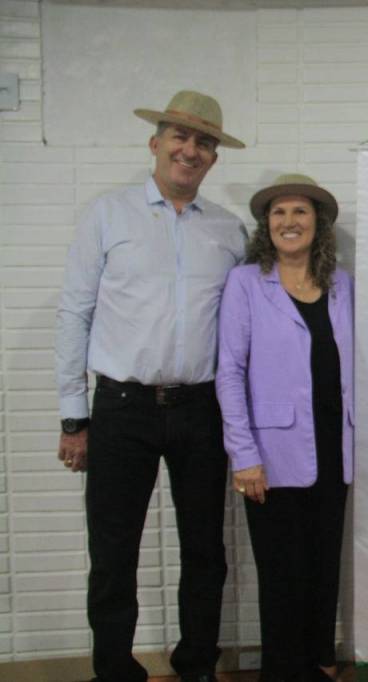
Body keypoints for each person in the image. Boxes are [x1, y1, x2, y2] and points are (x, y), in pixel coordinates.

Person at [55, 90, 247, 682]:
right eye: (180, 137)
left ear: (214, 158)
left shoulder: (229, 230)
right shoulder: (107, 215)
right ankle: (114, 670)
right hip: (122, 408)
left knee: (205, 551)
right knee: (113, 554)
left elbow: (244, 328)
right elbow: (75, 313)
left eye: (204, 142)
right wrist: (73, 417)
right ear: (155, 143)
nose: (190, 150)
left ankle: (197, 666)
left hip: (202, 410)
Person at [216, 174, 354, 682]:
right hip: (271, 455)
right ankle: (282, 672)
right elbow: (229, 371)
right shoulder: (246, 283)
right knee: (281, 574)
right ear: (266, 225)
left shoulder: (342, 285)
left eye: (300, 212)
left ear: (318, 224)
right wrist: (244, 455)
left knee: (323, 566)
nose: (289, 221)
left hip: (335, 448)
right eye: (279, 212)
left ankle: (322, 661)